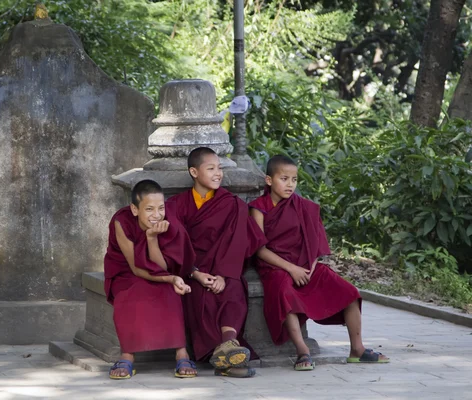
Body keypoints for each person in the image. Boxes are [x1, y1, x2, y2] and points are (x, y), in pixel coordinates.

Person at [249, 154, 390, 371]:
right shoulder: (259, 208)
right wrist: (292, 269)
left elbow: (315, 245)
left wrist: (309, 267)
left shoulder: (304, 207)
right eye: (284, 179)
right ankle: (302, 351)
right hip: (276, 268)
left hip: (306, 266)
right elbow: (260, 249)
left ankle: (357, 349)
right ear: (269, 180)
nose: (290, 185)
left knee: (349, 292)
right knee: (284, 293)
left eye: (294, 180)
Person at [166, 147, 267, 378]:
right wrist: (194, 273)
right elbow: (173, 244)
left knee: (232, 289)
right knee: (202, 297)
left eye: (219, 168)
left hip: (224, 267)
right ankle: (226, 357)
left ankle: (228, 345)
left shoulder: (232, 204)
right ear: (194, 171)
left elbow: (239, 242)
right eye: (211, 168)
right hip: (192, 270)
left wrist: (223, 273)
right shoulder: (177, 205)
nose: (218, 173)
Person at [104, 179, 198, 379]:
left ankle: (182, 353)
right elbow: (136, 269)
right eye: (149, 209)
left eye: (161, 208)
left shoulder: (168, 221)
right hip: (127, 272)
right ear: (135, 209)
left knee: (169, 291)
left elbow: (162, 267)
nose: (157, 215)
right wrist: (171, 278)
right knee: (130, 293)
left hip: (159, 271)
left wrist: (152, 238)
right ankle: (127, 355)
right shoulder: (121, 221)